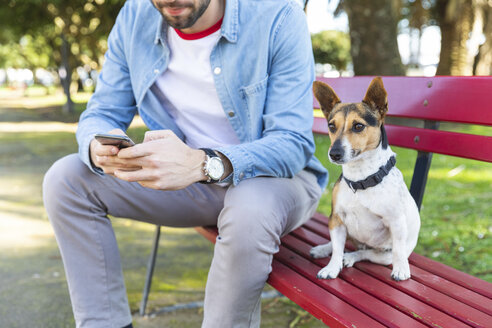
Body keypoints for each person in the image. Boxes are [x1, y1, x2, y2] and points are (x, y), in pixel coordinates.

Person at [43, 0, 328, 327]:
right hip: (189, 185)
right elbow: (103, 111)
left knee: (249, 208)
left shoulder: (278, 15)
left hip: (275, 181)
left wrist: (204, 164)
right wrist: (97, 143)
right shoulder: (135, 16)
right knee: (65, 180)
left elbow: (292, 143)